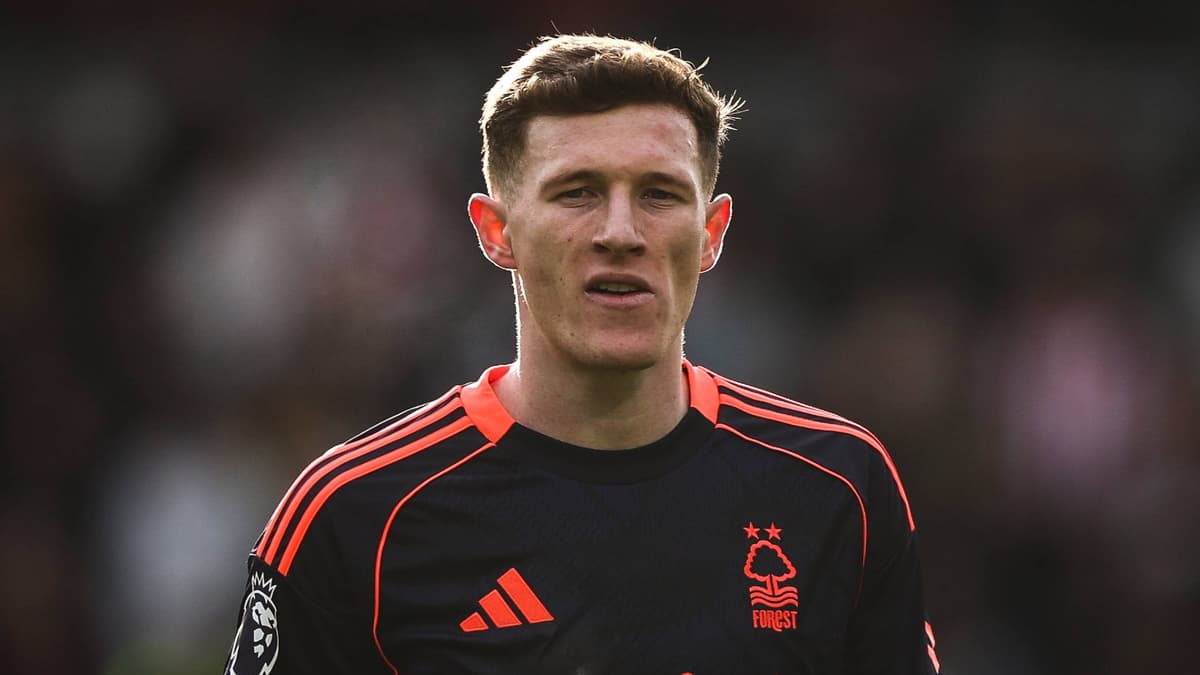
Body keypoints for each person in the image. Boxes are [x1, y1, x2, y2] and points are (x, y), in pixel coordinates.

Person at [224, 33, 939, 674]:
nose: (620, 232)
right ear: (496, 231)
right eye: (577, 192)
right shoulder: (356, 513)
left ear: (712, 231)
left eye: (659, 194)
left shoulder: (839, 486)